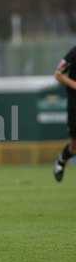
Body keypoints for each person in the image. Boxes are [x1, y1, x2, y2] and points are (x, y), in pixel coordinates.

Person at [53, 47, 76, 181]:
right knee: (74, 146)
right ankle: (62, 159)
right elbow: (58, 74)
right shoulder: (74, 53)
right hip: (75, 105)